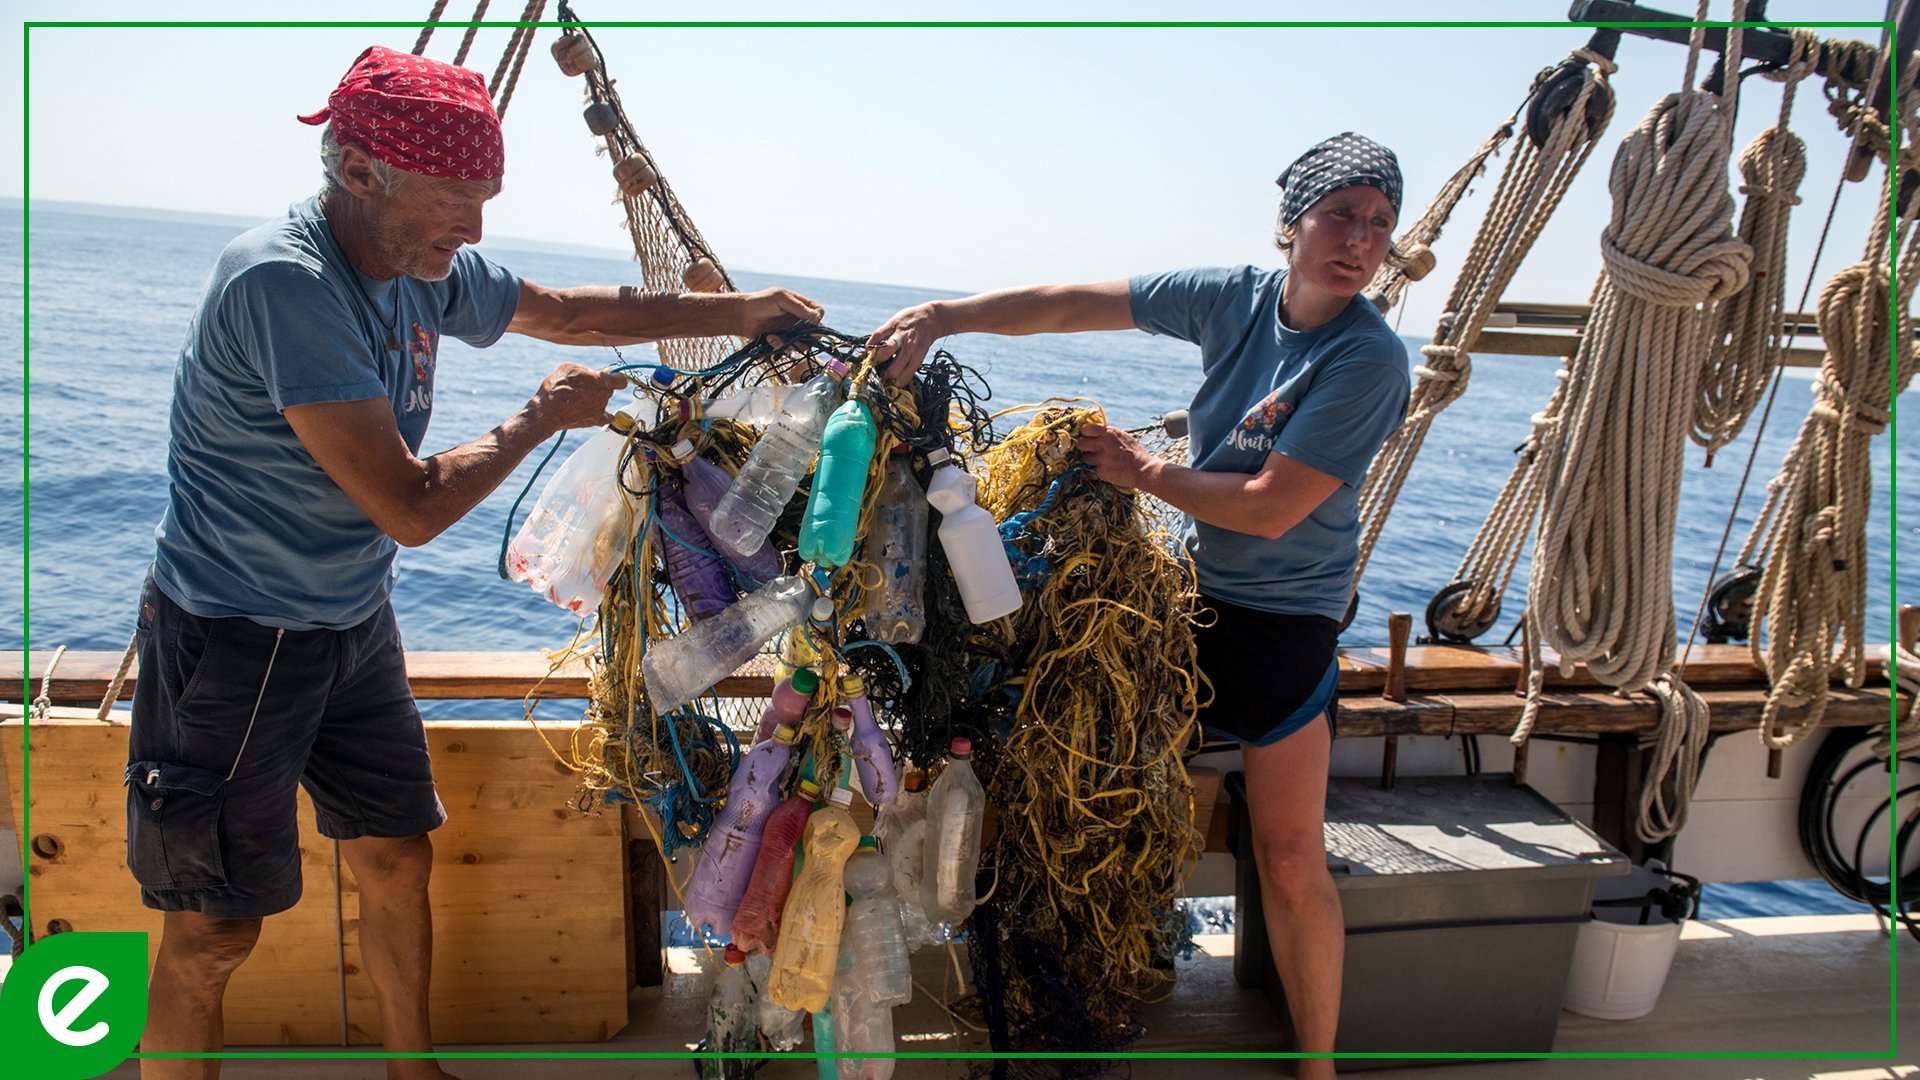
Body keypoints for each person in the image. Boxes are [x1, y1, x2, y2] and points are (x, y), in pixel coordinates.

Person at [125, 45, 821, 1080]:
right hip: (234, 638)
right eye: (454, 201)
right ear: (359, 171)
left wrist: (745, 312)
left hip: (351, 622)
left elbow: (569, 314)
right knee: (214, 928)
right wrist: (538, 416)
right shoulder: (287, 283)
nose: (475, 229)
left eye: (485, 200)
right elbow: (410, 507)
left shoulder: (417, 268)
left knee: (396, 857)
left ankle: (415, 1074)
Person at [868, 132, 1411, 1075]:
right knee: (1081, 786)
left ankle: (1318, 1067)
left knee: (1289, 858)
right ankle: (1087, 983)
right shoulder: (1232, 298)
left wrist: (1142, 471)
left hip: (1286, 627)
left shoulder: (1369, 360)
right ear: (1292, 223)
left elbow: (1271, 509)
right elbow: (1073, 302)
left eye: (1379, 223)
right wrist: (945, 316)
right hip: (1185, 609)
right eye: (1341, 215)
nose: (1360, 239)